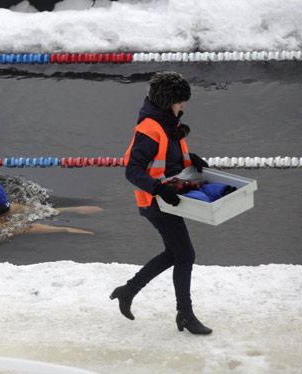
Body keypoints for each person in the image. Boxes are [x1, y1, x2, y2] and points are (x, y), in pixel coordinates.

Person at [110, 72, 212, 335]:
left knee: (175, 253)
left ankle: (128, 290)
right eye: (180, 101)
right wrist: (158, 189)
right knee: (185, 255)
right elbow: (133, 170)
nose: (184, 106)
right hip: (157, 202)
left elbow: (169, 159)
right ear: (168, 101)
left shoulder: (167, 123)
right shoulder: (150, 129)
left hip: (168, 199)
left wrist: (192, 159)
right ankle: (185, 315)